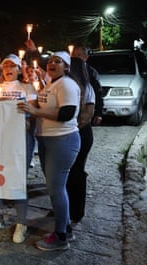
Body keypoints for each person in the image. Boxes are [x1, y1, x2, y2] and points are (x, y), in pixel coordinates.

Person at [18, 51, 81, 251]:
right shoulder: (51, 84)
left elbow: (67, 113)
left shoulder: (66, 85)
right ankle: (66, 227)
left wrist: (35, 111)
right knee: (55, 188)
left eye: (58, 61)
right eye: (51, 61)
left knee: (56, 189)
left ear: (67, 66)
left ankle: (61, 236)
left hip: (62, 140)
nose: (52, 63)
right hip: (47, 141)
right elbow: (40, 102)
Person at [0, 54, 38, 243]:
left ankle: (21, 222)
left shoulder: (27, 87)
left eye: (12, 66)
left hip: (20, 139)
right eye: (5, 65)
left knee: (17, 179)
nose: (8, 68)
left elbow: (32, 109)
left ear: (17, 69)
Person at [66, 57, 96, 225]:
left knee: (77, 172)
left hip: (81, 134)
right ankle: (66, 206)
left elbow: (86, 115)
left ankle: (77, 211)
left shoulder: (87, 88)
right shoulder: (66, 87)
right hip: (70, 133)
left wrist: (70, 129)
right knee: (68, 173)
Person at [72, 46, 103, 126]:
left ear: (86, 57)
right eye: (74, 55)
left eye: (79, 55)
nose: (76, 58)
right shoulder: (67, 71)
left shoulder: (91, 72)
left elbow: (98, 92)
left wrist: (98, 113)